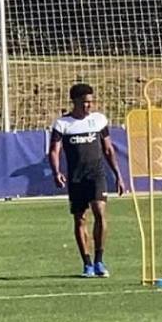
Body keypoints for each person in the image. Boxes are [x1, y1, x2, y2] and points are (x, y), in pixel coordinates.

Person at [48, 83, 126, 277]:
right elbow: (54, 151)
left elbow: (108, 149)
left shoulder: (98, 120)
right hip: (76, 178)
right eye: (84, 103)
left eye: (91, 102)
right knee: (80, 218)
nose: (88, 106)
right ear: (74, 102)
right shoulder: (62, 124)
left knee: (100, 212)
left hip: (96, 174)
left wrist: (118, 175)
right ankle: (87, 263)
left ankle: (100, 261)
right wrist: (56, 171)